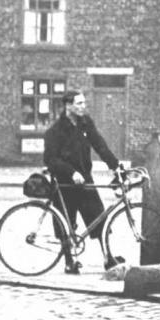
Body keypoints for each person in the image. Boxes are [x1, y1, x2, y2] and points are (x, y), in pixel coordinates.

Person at [43, 89, 120, 273]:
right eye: (79, 103)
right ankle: (69, 261)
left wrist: (115, 165)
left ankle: (108, 258)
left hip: (85, 181)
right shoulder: (55, 131)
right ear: (68, 106)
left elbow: (100, 145)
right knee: (66, 224)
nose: (83, 107)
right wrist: (71, 172)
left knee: (99, 219)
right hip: (65, 184)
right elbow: (50, 159)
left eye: (84, 103)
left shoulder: (86, 123)